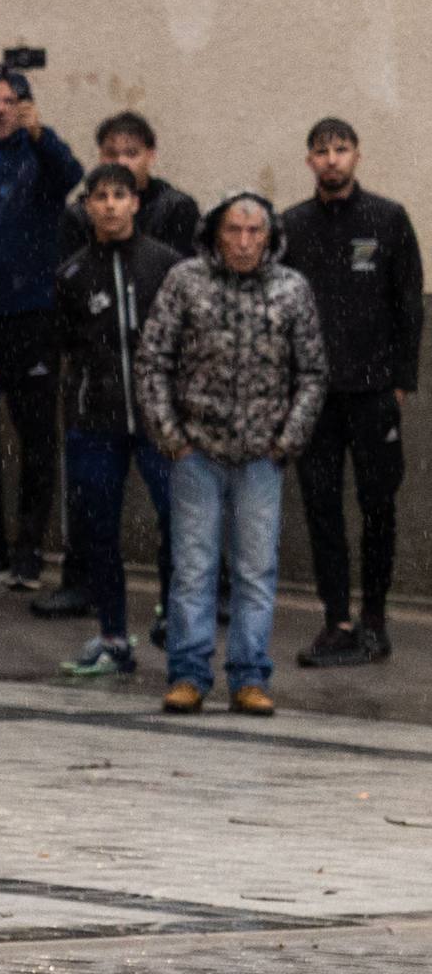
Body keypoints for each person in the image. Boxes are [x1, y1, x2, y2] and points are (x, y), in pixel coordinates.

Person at [137, 193, 328, 716]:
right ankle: (189, 674)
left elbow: (311, 372)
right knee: (193, 569)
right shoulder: (185, 281)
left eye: (255, 232)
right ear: (215, 233)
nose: (244, 242)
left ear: (269, 236)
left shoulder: (293, 289)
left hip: (263, 456)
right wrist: (170, 435)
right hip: (196, 450)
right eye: (234, 231)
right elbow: (153, 359)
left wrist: (287, 439)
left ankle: (249, 675)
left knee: (256, 571)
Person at [281, 118, 423, 667]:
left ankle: (375, 618)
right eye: (322, 151)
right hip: (315, 396)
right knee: (321, 508)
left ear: (357, 155)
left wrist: (401, 382)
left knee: (378, 505)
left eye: (341, 149)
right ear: (310, 160)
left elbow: (409, 302)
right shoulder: (291, 225)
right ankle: (336, 618)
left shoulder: (387, 219)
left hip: (373, 392)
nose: (332, 159)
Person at [0, 68, 85, 590]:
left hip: (32, 315)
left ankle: (29, 548)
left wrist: (40, 134)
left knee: (35, 436)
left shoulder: (41, 158)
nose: (0, 109)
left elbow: (72, 176)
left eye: (11, 101)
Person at [49, 163, 186, 676]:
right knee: (99, 530)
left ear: (135, 203)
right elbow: (64, 347)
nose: (109, 205)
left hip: (159, 421)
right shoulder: (72, 273)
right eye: (99, 196)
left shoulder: (168, 265)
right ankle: (112, 635)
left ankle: (171, 618)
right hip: (95, 424)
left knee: (178, 518)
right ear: (88, 206)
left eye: (119, 195)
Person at [56, 112, 199, 257]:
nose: (121, 162)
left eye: (131, 153)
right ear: (100, 155)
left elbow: (184, 272)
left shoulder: (176, 208)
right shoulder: (80, 215)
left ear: (150, 156)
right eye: (111, 154)